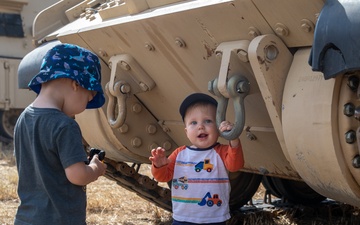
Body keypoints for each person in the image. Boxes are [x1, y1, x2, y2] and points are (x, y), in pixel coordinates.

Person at [14, 43, 107, 225]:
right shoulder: (65, 125)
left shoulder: (23, 118)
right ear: (76, 84)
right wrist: (95, 168)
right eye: (88, 97)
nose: (85, 106)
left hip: (26, 218)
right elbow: (77, 176)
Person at [149, 93, 244, 225]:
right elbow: (163, 177)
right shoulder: (180, 153)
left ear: (218, 128)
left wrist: (233, 139)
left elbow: (235, 165)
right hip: (183, 218)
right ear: (186, 131)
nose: (200, 126)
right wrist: (159, 166)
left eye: (208, 121)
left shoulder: (221, 152)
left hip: (214, 219)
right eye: (194, 122)